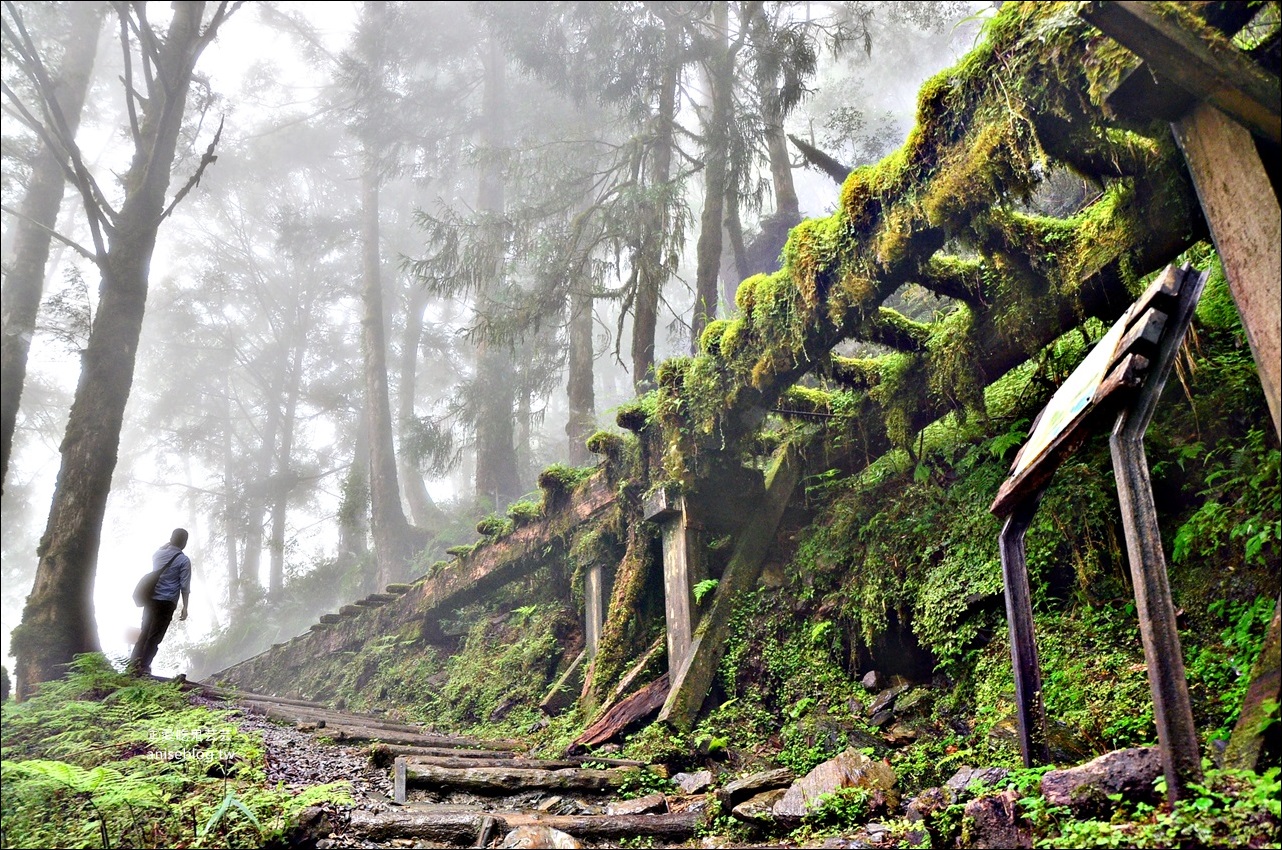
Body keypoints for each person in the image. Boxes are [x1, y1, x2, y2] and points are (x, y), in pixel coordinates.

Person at [127, 528, 192, 676]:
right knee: (155, 636)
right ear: (185, 542)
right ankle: (143, 668)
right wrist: (185, 607)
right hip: (166, 603)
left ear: (171, 538)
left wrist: (166, 545)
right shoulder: (183, 560)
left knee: (144, 633)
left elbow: (162, 549)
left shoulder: (158, 554)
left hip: (151, 600)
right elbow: (185, 586)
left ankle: (133, 666)